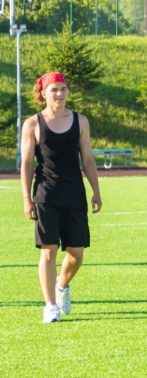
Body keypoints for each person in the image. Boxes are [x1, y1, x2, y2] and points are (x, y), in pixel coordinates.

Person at [20, 72, 102, 324]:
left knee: (76, 253)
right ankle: (50, 306)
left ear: (68, 92)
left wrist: (96, 190)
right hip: (46, 193)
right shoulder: (33, 124)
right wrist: (26, 198)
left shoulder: (80, 121)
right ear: (44, 93)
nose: (59, 94)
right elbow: (27, 163)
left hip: (74, 193)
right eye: (53, 89)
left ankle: (62, 285)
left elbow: (87, 159)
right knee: (49, 251)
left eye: (63, 89)